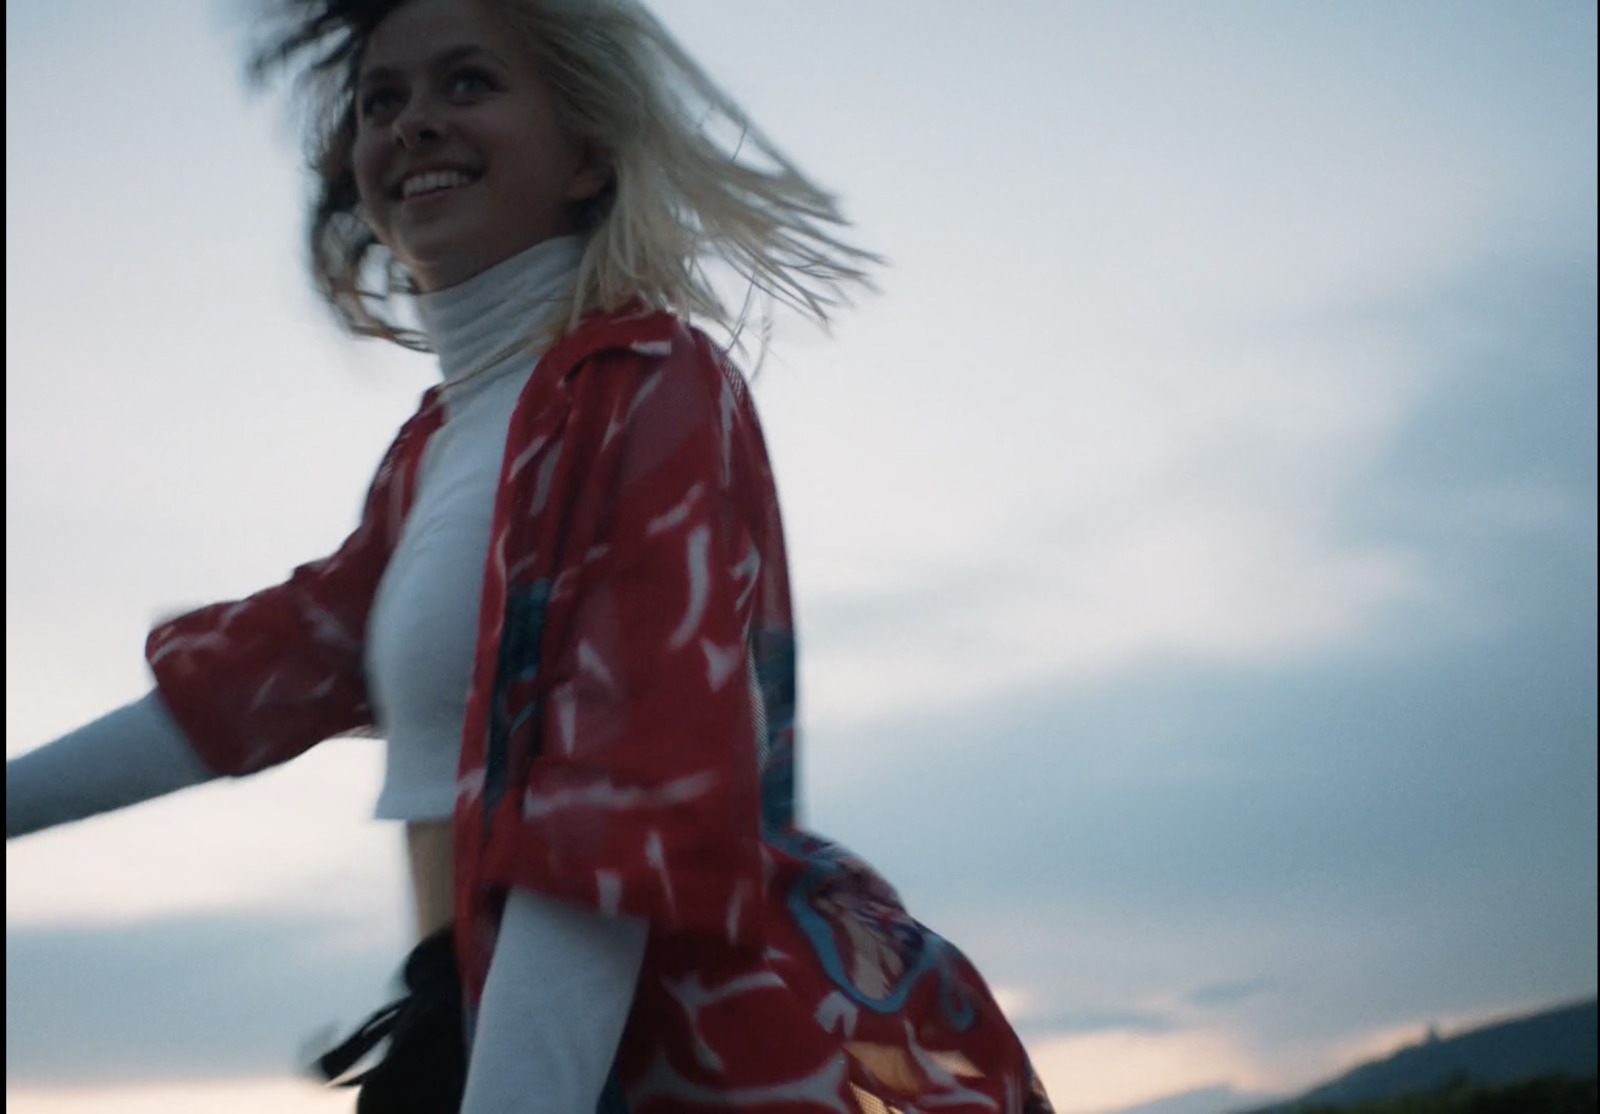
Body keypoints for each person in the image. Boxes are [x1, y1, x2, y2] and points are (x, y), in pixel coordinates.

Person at [5, 0, 1057, 1111]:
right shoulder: (437, 448)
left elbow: (608, 833)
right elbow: (254, 678)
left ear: (587, 154)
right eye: (382, 100)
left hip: (643, 1063)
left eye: (468, 84)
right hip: (472, 1021)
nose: (413, 123)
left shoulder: (649, 384)